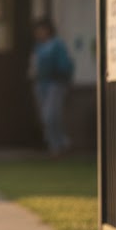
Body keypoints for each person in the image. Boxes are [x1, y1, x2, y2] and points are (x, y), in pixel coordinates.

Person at [30, 17, 74, 157]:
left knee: (51, 115)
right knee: (45, 116)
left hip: (55, 83)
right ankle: (54, 144)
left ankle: (60, 144)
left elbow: (64, 64)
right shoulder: (39, 47)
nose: (39, 33)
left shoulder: (56, 45)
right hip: (41, 84)